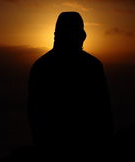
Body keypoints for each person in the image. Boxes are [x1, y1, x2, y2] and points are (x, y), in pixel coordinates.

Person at [27, 12, 113, 158]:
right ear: (81, 35)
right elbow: (103, 112)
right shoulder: (92, 66)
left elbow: (34, 113)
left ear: (56, 34)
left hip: (50, 148)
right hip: (87, 148)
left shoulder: (40, 66)